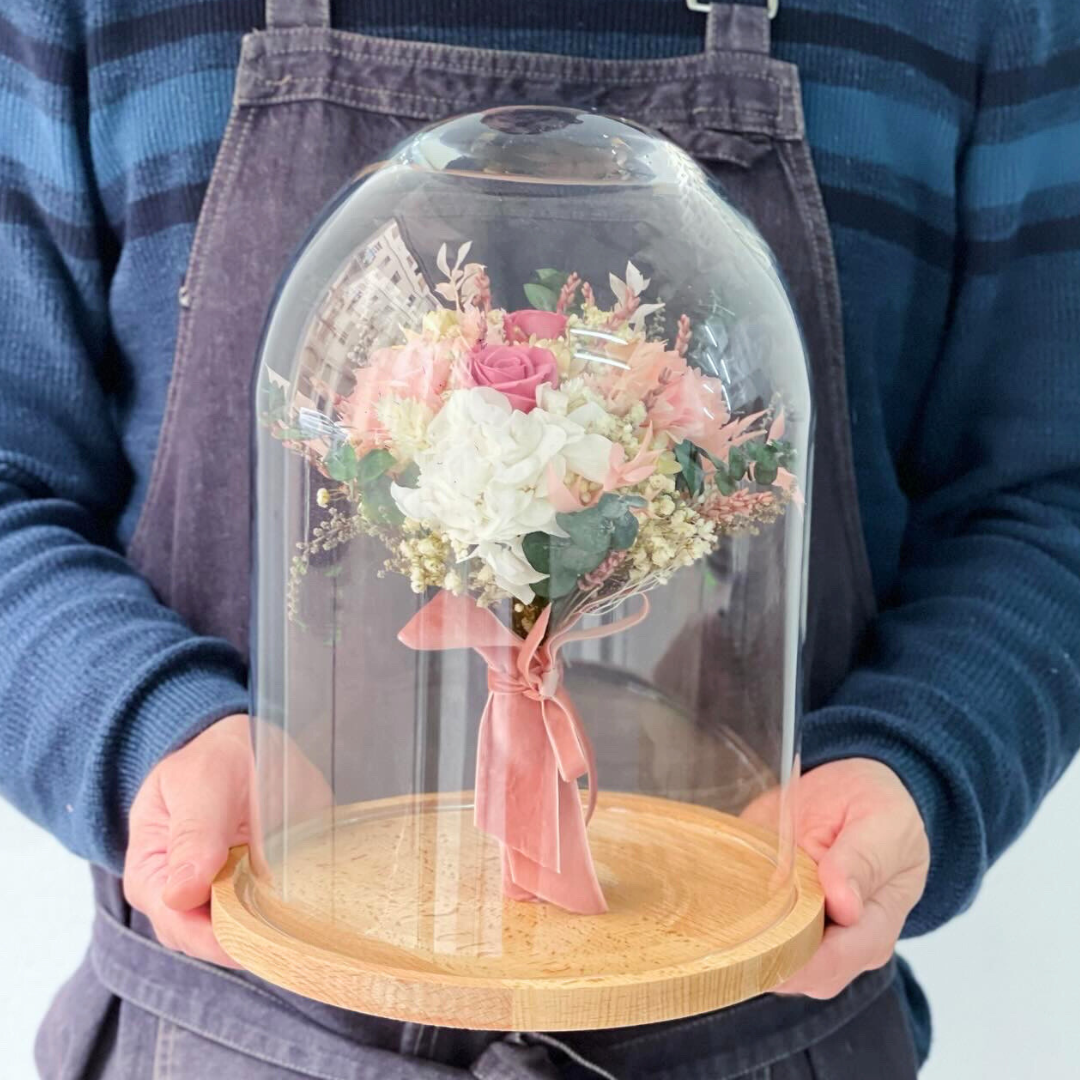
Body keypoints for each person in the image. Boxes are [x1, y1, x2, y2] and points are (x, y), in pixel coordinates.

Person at [1, 0, 1077, 1076]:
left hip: (764, 1023)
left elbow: (1047, 497)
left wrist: (920, 763)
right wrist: (152, 734)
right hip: (222, 1028)